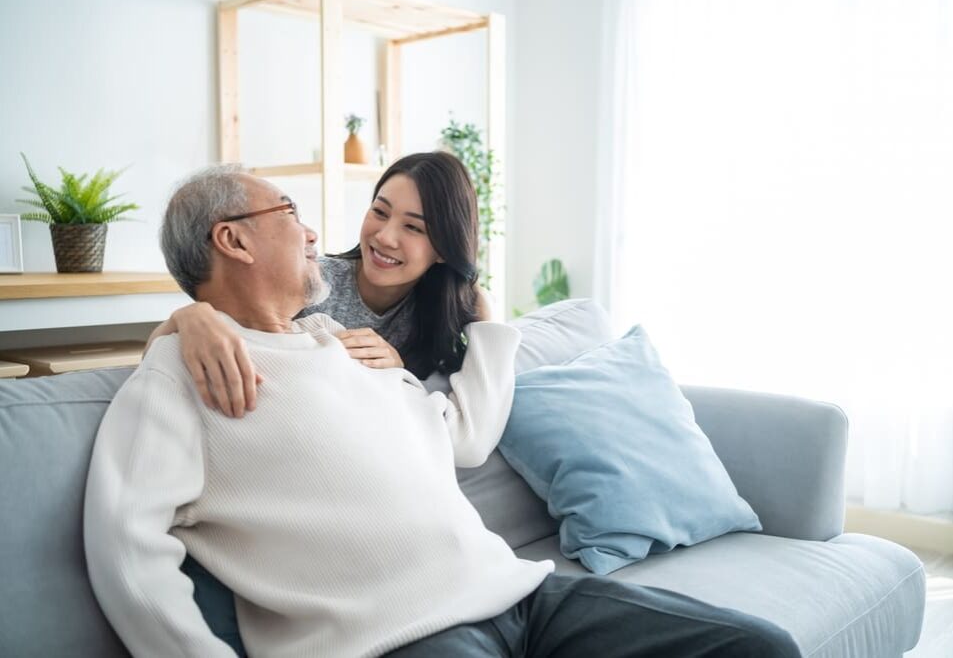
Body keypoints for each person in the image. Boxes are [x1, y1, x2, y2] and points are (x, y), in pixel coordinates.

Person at [83, 165, 801, 657]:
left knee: (761, 646)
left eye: (417, 227)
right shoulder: (180, 376)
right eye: (290, 212)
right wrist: (184, 321)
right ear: (232, 239)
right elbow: (127, 547)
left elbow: (450, 438)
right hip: (402, 637)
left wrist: (483, 327)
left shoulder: (340, 346)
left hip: (523, 595)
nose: (312, 232)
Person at [147, 151, 491, 418]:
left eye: (414, 228)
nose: (385, 237)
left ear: (445, 249)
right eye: (380, 212)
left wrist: (400, 376)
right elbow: (160, 362)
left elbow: (460, 418)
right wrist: (188, 317)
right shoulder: (309, 282)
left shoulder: (446, 312)